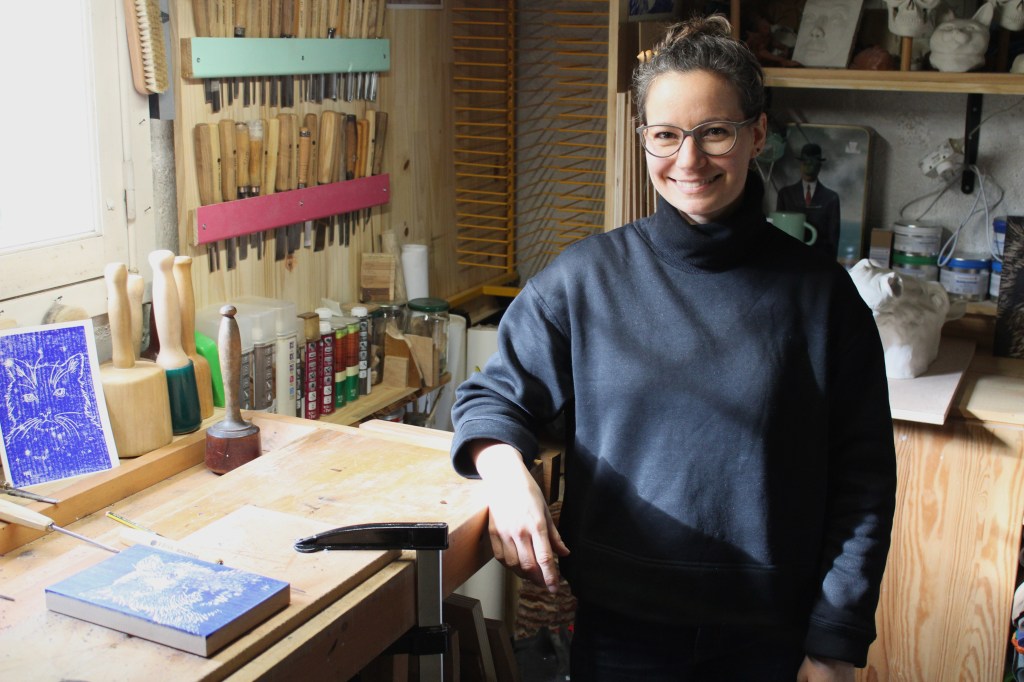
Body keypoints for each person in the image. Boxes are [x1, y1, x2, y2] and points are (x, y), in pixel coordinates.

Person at [450, 15, 896, 682]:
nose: (689, 161)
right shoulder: (586, 280)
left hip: (769, 641)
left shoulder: (821, 298)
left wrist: (835, 645)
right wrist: (508, 475)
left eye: (714, 132)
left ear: (758, 133)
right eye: (665, 136)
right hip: (621, 636)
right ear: (644, 140)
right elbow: (492, 397)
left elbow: (864, 485)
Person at [776, 142, 842, 260]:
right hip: (790, 258)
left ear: (819, 166)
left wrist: (830, 268)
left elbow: (833, 238)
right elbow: (778, 232)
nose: (808, 166)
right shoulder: (785, 194)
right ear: (800, 164)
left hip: (819, 260)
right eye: (805, 162)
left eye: (812, 162)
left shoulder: (831, 198)